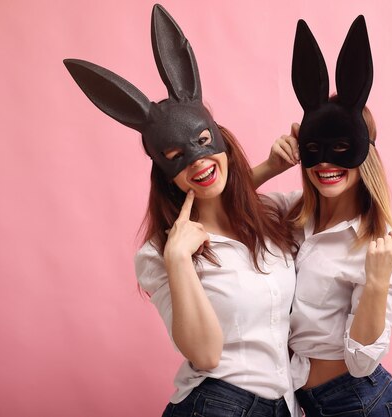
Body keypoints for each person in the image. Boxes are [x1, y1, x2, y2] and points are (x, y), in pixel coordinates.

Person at [64, 4, 298, 416]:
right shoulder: (160, 255)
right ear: (166, 175)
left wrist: (295, 155)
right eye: (176, 156)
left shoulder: (271, 219)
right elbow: (206, 355)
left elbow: (334, 206)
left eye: (204, 141)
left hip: (285, 405)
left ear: (220, 138)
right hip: (217, 405)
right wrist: (178, 259)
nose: (197, 161)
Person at [253, 16, 392, 416]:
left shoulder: (382, 245)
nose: (325, 162)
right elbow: (222, 207)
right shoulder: (290, 213)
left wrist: (376, 282)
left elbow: (362, 362)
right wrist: (271, 166)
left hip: (360, 403)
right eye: (314, 149)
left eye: (341, 147)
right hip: (303, 403)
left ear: (364, 154)